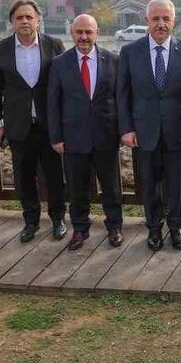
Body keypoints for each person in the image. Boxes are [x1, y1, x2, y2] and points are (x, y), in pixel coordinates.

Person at [117, 0, 181, 251]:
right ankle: (154, 229)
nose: (161, 24)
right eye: (155, 19)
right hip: (144, 132)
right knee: (149, 183)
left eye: (166, 19)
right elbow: (122, 94)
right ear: (146, 21)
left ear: (173, 21)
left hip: (178, 131)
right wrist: (126, 128)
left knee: (177, 184)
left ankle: (176, 227)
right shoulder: (130, 52)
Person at [0, 0, 67, 242]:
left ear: (38, 20)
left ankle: (58, 219)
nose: (24, 21)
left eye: (29, 17)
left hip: (48, 124)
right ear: (11, 22)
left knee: (54, 174)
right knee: (23, 175)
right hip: (18, 125)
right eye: (19, 17)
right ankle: (30, 221)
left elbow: (64, 85)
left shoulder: (54, 45)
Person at [48, 14, 124, 251]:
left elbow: (121, 99)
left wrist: (123, 131)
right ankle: (80, 228)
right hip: (73, 138)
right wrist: (56, 137)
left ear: (96, 33)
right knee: (77, 187)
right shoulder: (60, 63)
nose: (83, 37)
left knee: (111, 186)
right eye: (79, 32)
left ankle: (114, 226)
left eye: (88, 32)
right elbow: (53, 102)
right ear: (72, 34)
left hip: (106, 135)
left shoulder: (113, 60)